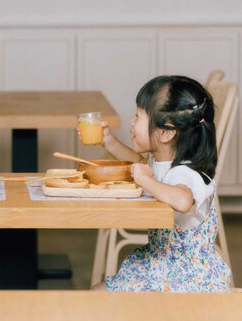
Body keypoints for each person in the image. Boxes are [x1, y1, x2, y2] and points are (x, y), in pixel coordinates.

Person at [87, 75, 232, 292]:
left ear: (165, 132)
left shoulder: (186, 172)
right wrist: (108, 140)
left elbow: (183, 200)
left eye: (138, 116)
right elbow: (138, 162)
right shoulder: (163, 162)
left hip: (185, 279)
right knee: (98, 293)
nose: (131, 122)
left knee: (97, 295)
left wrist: (145, 179)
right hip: (163, 266)